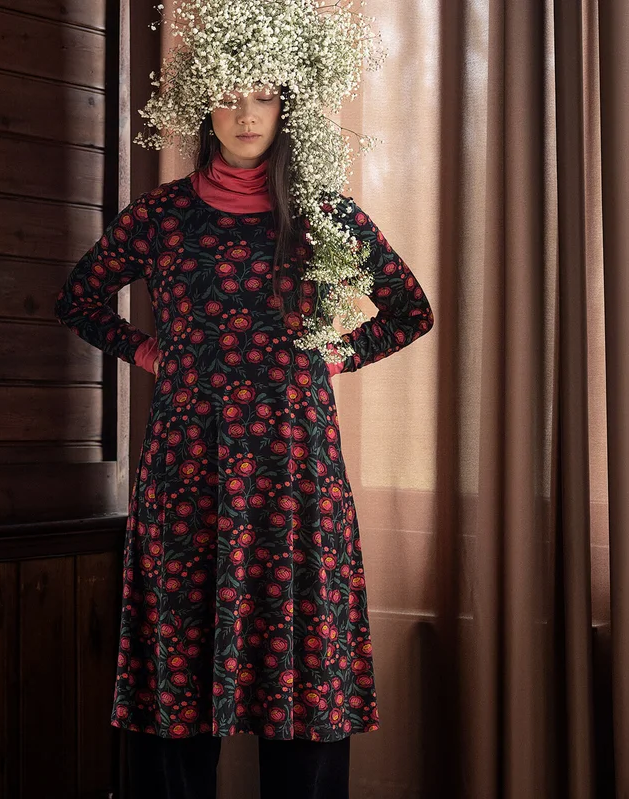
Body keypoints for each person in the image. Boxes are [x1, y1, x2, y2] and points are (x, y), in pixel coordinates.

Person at [54, 2, 434, 797]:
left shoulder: (322, 215)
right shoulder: (161, 217)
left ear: (285, 103)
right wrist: (148, 350)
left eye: (261, 95)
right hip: (188, 474)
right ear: (204, 106)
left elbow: (411, 310)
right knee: (177, 688)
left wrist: (339, 354)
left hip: (296, 479)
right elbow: (81, 299)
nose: (245, 112)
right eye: (228, 95)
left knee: (304, 687)